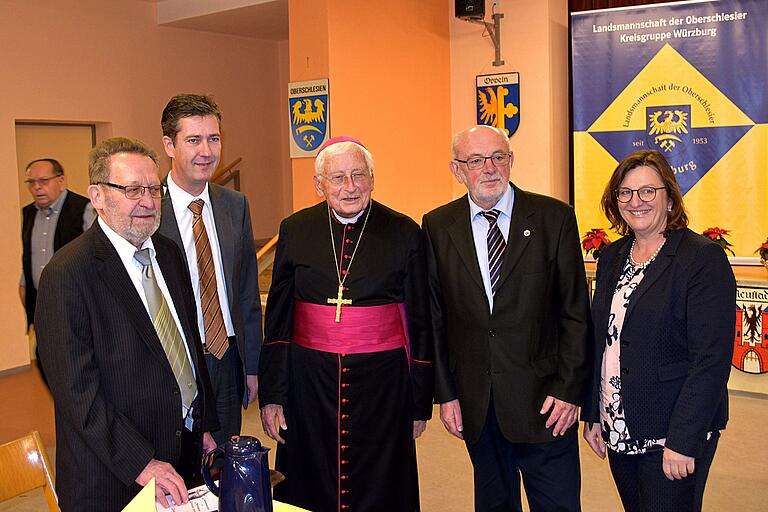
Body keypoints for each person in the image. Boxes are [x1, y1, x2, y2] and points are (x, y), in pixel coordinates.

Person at [35, 137, 218, 511]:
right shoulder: (68, 273)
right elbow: (77, 395)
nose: (148, 202)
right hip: (113, 474)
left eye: (154, 189)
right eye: (133, 190)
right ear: (97, 197)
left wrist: (203, 423)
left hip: (182, 451)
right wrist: (140, 462)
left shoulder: (167, 254)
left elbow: (187, 347)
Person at [259, 136, 433, 512]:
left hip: (383, 386)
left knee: (382, 481)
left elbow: (421, 322)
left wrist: (419, 403)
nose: (349, 187)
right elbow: (278, 318)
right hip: (309, 383)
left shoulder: (404, 232)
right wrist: (274, 394)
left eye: (358, 175)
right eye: (337, 178)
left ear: (373, 179)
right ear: (319, 185)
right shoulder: (295, 229)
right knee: (308, 477)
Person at [422, 125, 591, 512]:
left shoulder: (555, 218)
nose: (489, 168)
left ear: (511, 161)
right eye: (476, 160)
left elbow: (575, 313)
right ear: (457, 169)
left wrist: (568, 390)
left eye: (499, 157)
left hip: (547, 406)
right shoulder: (436, 226)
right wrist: (446, 394)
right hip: (480, 407)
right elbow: (436, 319)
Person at [581, 150, 736, 512]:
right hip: (619, 423)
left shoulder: (701, 258)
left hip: (671, 430)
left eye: (648, 191)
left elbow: (710, 361)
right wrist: (594, 414)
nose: (636, 201)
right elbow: (601, 340)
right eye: (625, 192)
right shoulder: (612, 256)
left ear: (669, 197)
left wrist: (683, 439)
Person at [158, 94, 262, 447]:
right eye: (193, 140)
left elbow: (246, 290)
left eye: (214, 138)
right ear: (169, 145)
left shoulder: (234, 204)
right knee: (180, 470)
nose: (207, 151)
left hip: (227, 357)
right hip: (176, 366)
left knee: (224, 466)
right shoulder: (149, 210)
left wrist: (252, 365)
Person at [20, 158, 94, 336]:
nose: (37, 187)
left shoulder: (84, 208)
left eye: (44, 181)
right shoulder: (28, 213)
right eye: (31, 182)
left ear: (61, 181)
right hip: (41, 303)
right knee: (46, 355)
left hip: (75, 300)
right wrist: (24, 286)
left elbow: (96, 257)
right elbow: (29, 256)